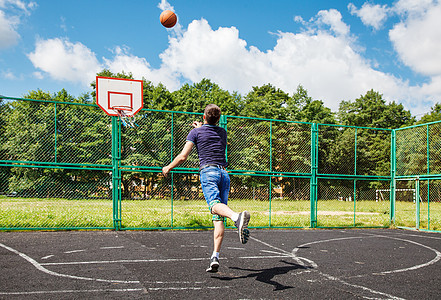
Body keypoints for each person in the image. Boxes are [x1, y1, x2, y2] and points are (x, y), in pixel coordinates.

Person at [162, 104, 250, 273]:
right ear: (218, 118)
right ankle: (215, 256)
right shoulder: (222, 132)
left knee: (214, 205)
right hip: (224, 174)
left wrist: (168, 167)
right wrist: (202, 127)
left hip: (209, 171)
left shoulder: (195, 133)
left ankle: (236, 217)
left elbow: (183, 156)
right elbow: (211, 132)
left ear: (203, 117)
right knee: (218, 215)